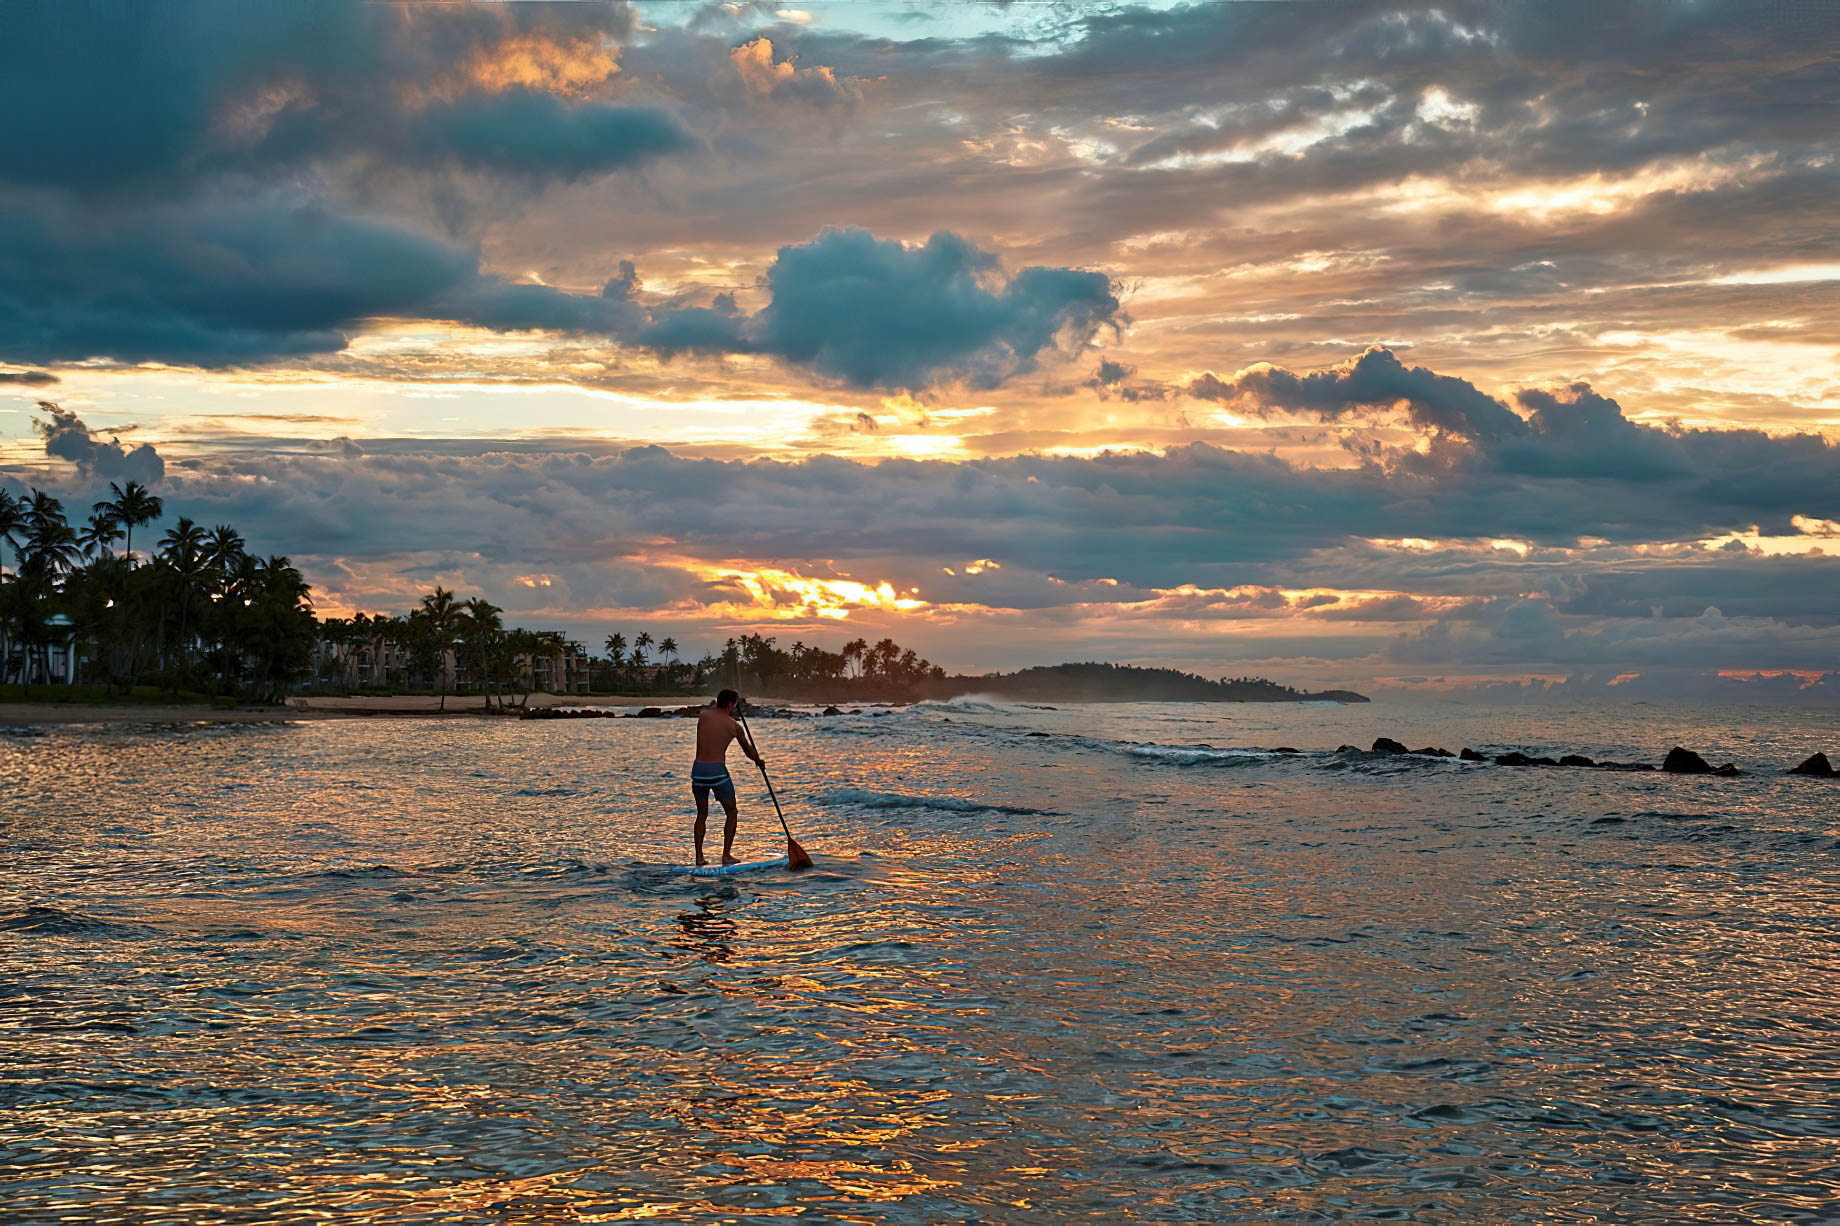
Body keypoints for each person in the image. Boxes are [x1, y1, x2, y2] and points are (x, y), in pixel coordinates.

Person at [691, 689, 763, 865]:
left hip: (698, 771)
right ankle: (726, 855)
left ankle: (699, 857)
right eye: (735, 705)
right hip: (716, 772)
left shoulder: (703, 716)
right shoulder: (734, 726)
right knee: (731, 811)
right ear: (730, 704)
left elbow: (714, 713)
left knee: (702, 814)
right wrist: (758, 761)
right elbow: (748, 751)